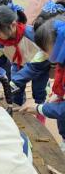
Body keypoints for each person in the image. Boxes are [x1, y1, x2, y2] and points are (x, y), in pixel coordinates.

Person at [0, 4, 50, 124]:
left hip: (40, 66)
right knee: (15, 91)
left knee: (39, 91)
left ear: (12, 25)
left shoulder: (33, 35)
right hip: (18, 65)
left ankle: (40, 115)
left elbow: (34, 68)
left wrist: (10, 85)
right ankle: (18, 113)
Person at [21, 16, 65, 152]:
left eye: (46, 48)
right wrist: (56, 95)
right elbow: (59, 81)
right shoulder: (62, 58)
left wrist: (40, 109)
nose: (45, 53)